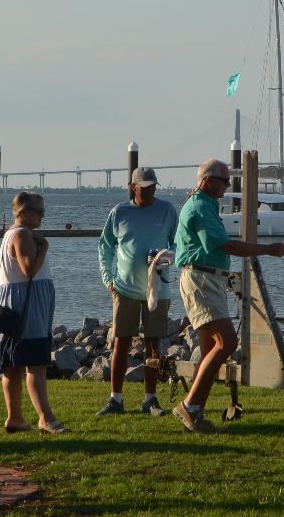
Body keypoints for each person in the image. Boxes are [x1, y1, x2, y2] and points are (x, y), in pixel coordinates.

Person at [172, 158, 284, 433]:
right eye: (225, 180)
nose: (229, 185)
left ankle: (195, 412)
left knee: (209, 351)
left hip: (206, 278)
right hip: (202, 280)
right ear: (208, 180)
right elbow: (223, 245)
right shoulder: (200, 207)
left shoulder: (204, 204)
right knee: (227, 343)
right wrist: (268, 249)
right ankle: (189, 406)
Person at [0, 191, 67, 434]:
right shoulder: (23, 236)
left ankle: (15, 418)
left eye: (43, 210)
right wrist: (45, 246)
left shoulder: (10, 234)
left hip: (14, 302)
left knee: (13, 364)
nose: (42, 215)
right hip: (28, 304)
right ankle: (46, 419)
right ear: (23, 212)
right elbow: (29, 269)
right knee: (36, 363)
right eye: (38, 210)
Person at [96, 165, 180, 416]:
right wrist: (108, 279)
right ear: (133, 187)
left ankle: (150, 400)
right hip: (124, 288)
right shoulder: (119, 212)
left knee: (154, 343)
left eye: (153, 186)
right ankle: (115, 400)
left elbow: (178, 242)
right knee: (121, 342)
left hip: (158, 288)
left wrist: (169, 257)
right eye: (144, 187)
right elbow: (105, 247)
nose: (149, 190)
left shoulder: (167, 210)